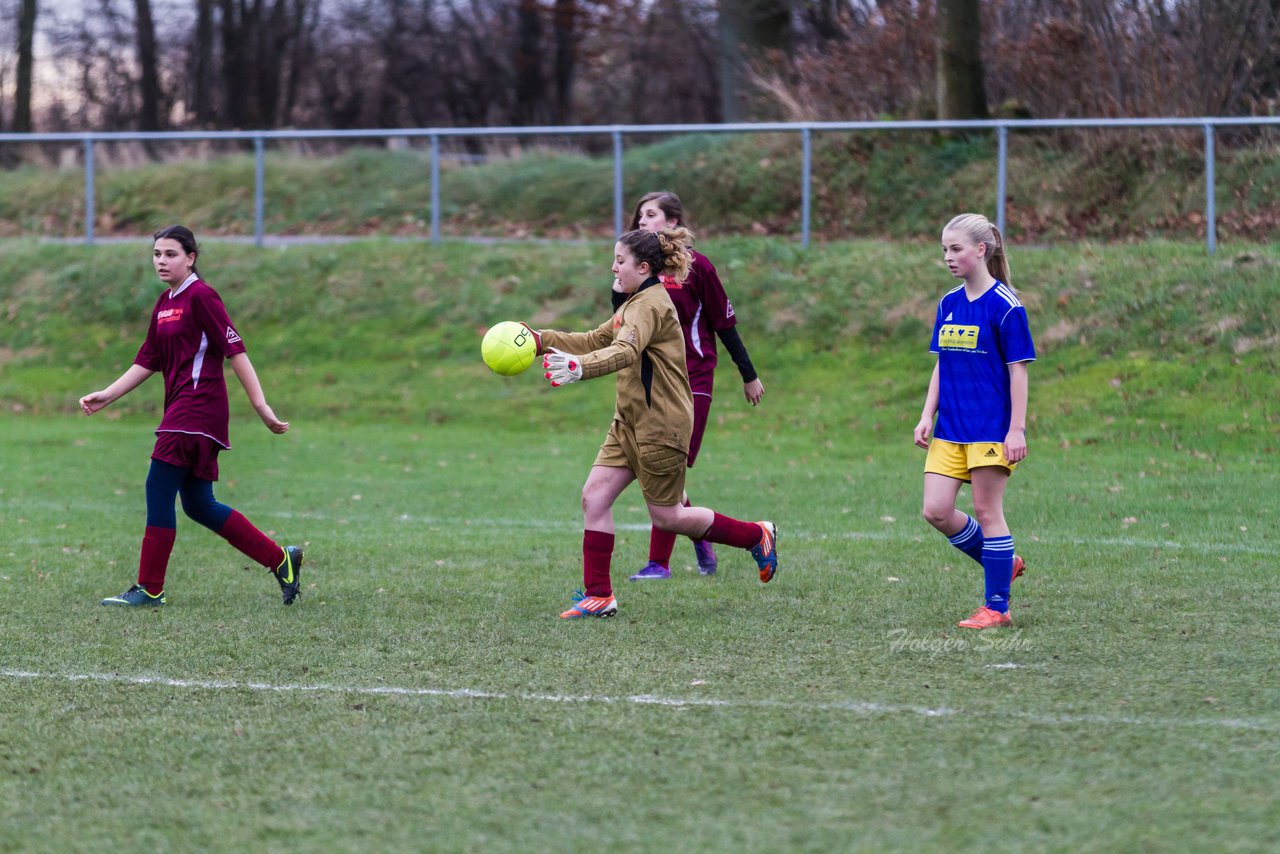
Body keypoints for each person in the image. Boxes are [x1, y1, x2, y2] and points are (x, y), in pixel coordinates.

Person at [525, 226, 777, 619]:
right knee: (594, 497)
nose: (613, 267)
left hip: (661, 426)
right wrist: (542, 339)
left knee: (669, 516)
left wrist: (579, 369)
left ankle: (755, 535)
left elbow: (623, 352)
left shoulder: (650, 306)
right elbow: (596, 339)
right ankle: (599, 595)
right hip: (628, 421)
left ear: (643, 267)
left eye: (620, 261)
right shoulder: (633, 301)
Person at [79, 225, 303, 607]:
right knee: (199, 504)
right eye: (156, 254)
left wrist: (261, 408)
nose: (161, 261)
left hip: (197, 412)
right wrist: (109, 395)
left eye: (170, 254)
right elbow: (147, 359)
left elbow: (237, 352)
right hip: (184, 412)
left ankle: (150, 588)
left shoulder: (202, 296)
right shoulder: (165, 302)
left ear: (191, 258)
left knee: (157, 487)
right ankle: (281, 559)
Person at [611, 191, 764, 582]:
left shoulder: (698, 268)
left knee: (667, 465)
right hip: (650, 383)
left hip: (692, 382)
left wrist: (749, 375)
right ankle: (700, 535)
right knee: (660, 466)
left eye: (651, 215)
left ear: (674, 223)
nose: (642, 221)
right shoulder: (635, 271)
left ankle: (659, 563)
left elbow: (725, 325)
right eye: (639, 215)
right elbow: (620, 328)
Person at [913, 213, 1035, 629]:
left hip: (990, 428)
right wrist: (927, 414)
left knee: (987, 511)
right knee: (936, 510)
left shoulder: (1006, 307)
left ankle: (997, 607)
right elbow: (942, 365)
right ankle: (1003, 562)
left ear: (981, 251)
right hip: (951, 428)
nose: (948, 257)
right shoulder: (948, 303)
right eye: (945, 249)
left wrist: (1016, 428)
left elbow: (1019, 371)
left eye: (956, 249)